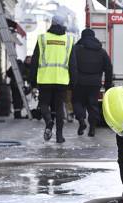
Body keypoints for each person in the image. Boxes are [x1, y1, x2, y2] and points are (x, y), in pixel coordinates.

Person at [30, 14, 76, 143]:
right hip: (62, 80)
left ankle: (49, 121)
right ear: (63, 24)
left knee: (44, 104)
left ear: (52, 23)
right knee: (59, 107)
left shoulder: (42, 38)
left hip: (45, 79)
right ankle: (59, 137)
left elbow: (34, 61)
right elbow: (73, 63)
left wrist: (32, 80)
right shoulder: (69, 40)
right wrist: (73, 82)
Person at [72, 28, 113, 137]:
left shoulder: (76, 49)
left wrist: (71, 81)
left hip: (79, 82)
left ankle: (81, 120)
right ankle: (92, 128)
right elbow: (109, 68)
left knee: (77, 102)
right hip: (95, 83)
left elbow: (71, 66)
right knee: (92, 105)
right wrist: (107, 85)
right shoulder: (101, 51)